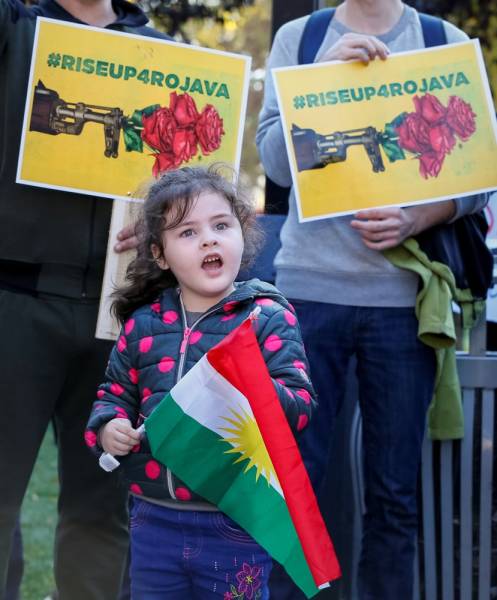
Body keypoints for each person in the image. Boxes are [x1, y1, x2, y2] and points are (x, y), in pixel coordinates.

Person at [256, 1, 488, 599]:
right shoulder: (301, 37)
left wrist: (418, 217)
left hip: (402, 302)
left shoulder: (442, 40)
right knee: (295, 488)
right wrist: (322, 80)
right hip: (308, 292)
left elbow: (478, 175)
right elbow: (277, 167)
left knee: (394, 493)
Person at [84, 166, 316, 599]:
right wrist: (106, 428)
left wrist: (257, 391)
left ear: (242, 235)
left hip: (236, 520)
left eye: (221, 225)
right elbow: (114, 396)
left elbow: (300, 408)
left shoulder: (266, 318)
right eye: (187, 233)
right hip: (153, 520)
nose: (209, 239)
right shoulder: (143, 325)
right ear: (159, 253)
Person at [0, 0, 167, 598]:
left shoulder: (160, 48)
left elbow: (190, 185)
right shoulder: (15, 24)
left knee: (102, 511)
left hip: (118, 313)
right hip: (14, 299)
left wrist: (162, 221)